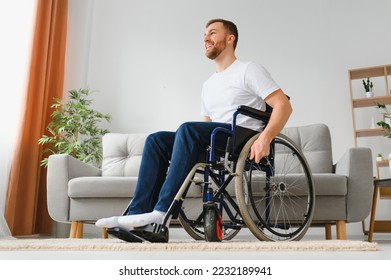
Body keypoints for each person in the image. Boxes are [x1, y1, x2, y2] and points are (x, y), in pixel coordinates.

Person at [95, 18, 292, 230]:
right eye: (205, 34)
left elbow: (283, 105)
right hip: (219, 138)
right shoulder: (209, 84)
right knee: (157, 140)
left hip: (242, 137)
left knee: (187, 129)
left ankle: (161, 211)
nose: (206, 38)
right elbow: (204, 126)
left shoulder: (248, 69)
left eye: (213, 33)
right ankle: (138, 214)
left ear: (230, 38)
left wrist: (265, 138)